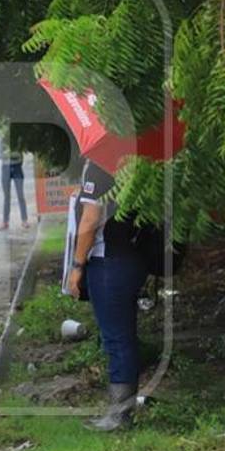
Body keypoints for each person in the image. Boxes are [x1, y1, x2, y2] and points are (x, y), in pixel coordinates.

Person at [67, 160, 147, 431]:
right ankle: (122, 411)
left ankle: (119, 416)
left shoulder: (101, 164)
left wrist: (76, 266)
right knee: (122, 336)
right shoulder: (134, 160)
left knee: (116, 339)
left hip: (108, 261)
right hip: (132, 257)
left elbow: (90, 219)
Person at [0, 145, 28, 230]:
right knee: (6, 197)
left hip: (17, 168)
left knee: (20, 195)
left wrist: (10, 155)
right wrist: (8, 155)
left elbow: (20, 156)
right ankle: (5, 222)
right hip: (5, 168)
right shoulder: (3, 139)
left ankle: (24, 220)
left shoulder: (17, 140)